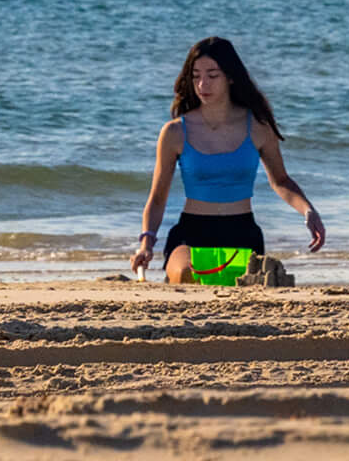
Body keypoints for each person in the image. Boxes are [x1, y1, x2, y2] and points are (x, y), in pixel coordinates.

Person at [130, 37, 326, 285]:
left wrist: (308, 210)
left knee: (244, 281)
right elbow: (157, 198)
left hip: (242, 232)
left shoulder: (257, 127)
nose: (203, 84)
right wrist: (146, 243)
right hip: (191, 232)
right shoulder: (174, 132)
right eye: (196, 76)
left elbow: (281, 180)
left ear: (230, 77)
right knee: (186, 274)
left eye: (213, 75)